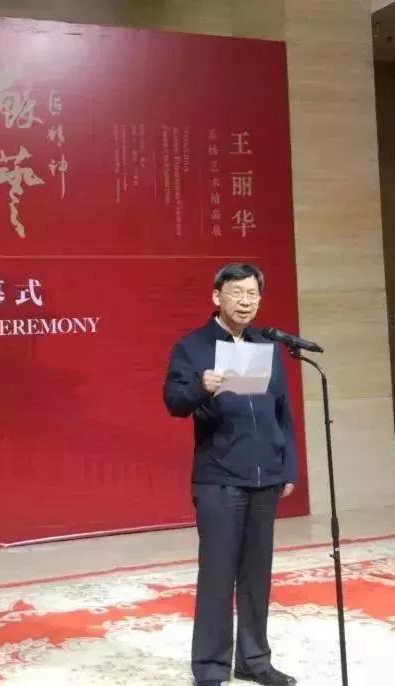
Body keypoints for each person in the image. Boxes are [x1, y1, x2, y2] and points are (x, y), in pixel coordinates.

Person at [163, 262, 298, 686]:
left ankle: (254, 660)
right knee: (218, 576)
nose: (245, 301)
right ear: (216, 296)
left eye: (252, 294)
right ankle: (209, 667)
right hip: (219, 478)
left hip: (265, 477)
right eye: (237, 292)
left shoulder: (266, 345)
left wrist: (287, 466)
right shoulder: (193, 346)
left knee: (257, 576)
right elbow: (174, 402)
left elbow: (282, 411)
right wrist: (200, 387)